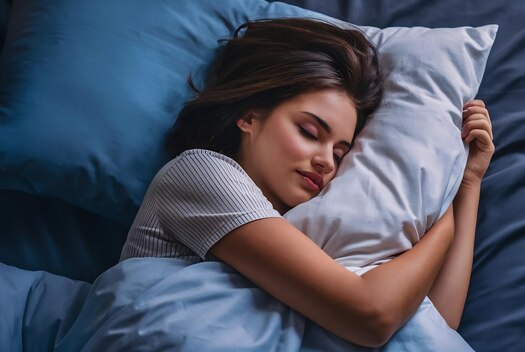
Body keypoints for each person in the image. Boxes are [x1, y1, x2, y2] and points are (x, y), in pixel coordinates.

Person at [119, 18, 494, 348]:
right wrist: (442, 223)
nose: (325, 161)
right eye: (309, 131)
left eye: (340, 152)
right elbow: (372, 315)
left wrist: (463, 184)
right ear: (250, 117)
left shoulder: (316, 218)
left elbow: (436, 321)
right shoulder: (199, 173)